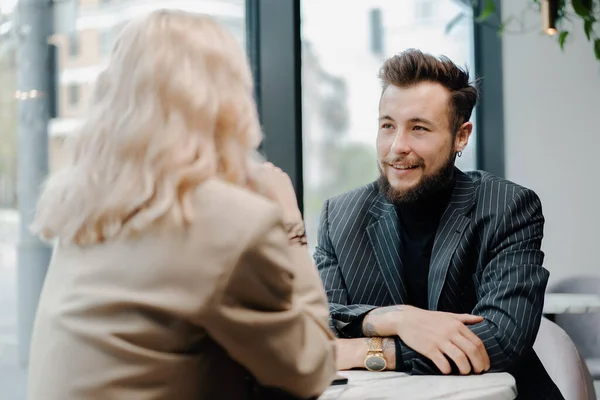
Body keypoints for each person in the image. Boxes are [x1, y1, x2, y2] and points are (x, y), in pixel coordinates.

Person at [27, 10, 336, 400]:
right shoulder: (230, 222)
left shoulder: (89, 208)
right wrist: (289, 220)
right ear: (227, 98)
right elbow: (310, 369)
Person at [315, 49, 563, 399]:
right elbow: (317, 329)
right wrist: (396, 318)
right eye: (388, 126)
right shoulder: (339, 216)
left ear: (461, 136)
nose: (397, 146)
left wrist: (364, 351)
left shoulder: (508, 207)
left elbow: (501, 339)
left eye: (419, 128)